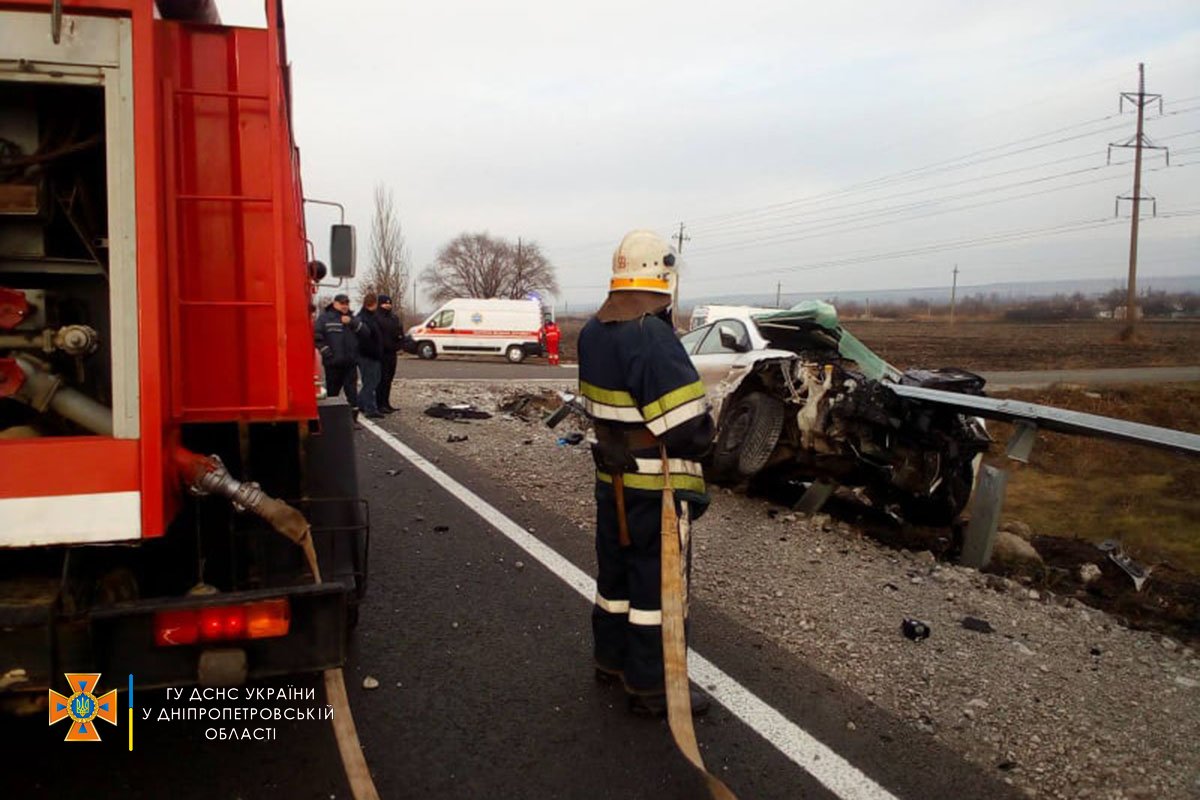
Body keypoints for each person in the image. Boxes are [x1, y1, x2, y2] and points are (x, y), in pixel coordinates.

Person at [577, 229, 715, 717]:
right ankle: (654, 687)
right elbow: (688, 429)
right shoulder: (650, 335)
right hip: (654, 487)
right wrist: (710, 436)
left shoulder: (593, 330)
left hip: (610, 479)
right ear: (665, 279)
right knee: (658, 588)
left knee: (615, 578)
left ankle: (611, 659)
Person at [314, 293, 362, 408]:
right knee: (333, 394)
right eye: (342, 304)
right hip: (333, 363)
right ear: (335, 303)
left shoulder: (352, 318)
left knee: (352, 394)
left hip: (350, 364)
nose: (344, 306)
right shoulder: (325, 318)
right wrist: (326, 351)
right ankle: (332, 420)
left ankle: (353, 420)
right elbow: (316, 336)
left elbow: (366, 333)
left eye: (346, 303)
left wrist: (351, 322)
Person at [354, 293, 386, 419]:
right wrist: (373, 351)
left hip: (373, 355)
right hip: (367, 356)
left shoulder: (370, 317)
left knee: (374, 381)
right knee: (370, 382)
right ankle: (370, 408)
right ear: (373, 304)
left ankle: (361, 403)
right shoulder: (363, 318)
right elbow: (363, 339)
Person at [375, 294, 403, 414]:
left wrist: (400, 340)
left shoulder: (394, 318)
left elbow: (399, 332)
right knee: (381, 379)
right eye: (385, 303)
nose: (387, 305)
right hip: (381, 354)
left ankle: (386, 403)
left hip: (392, 353)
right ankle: (379, 404)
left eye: (389, 303)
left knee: (389, 379)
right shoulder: (376, 317)